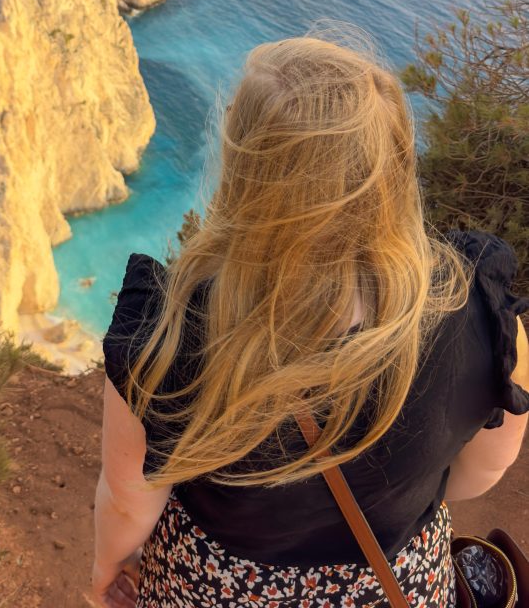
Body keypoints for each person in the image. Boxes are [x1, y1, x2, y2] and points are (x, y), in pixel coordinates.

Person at [92, 34, 529, 608]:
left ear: (246, 172)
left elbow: (128, 504)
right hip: (396, 584)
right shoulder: (474, 308)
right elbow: (480, 475)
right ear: (395, 163)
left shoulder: (170, 335)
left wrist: (106, 570)